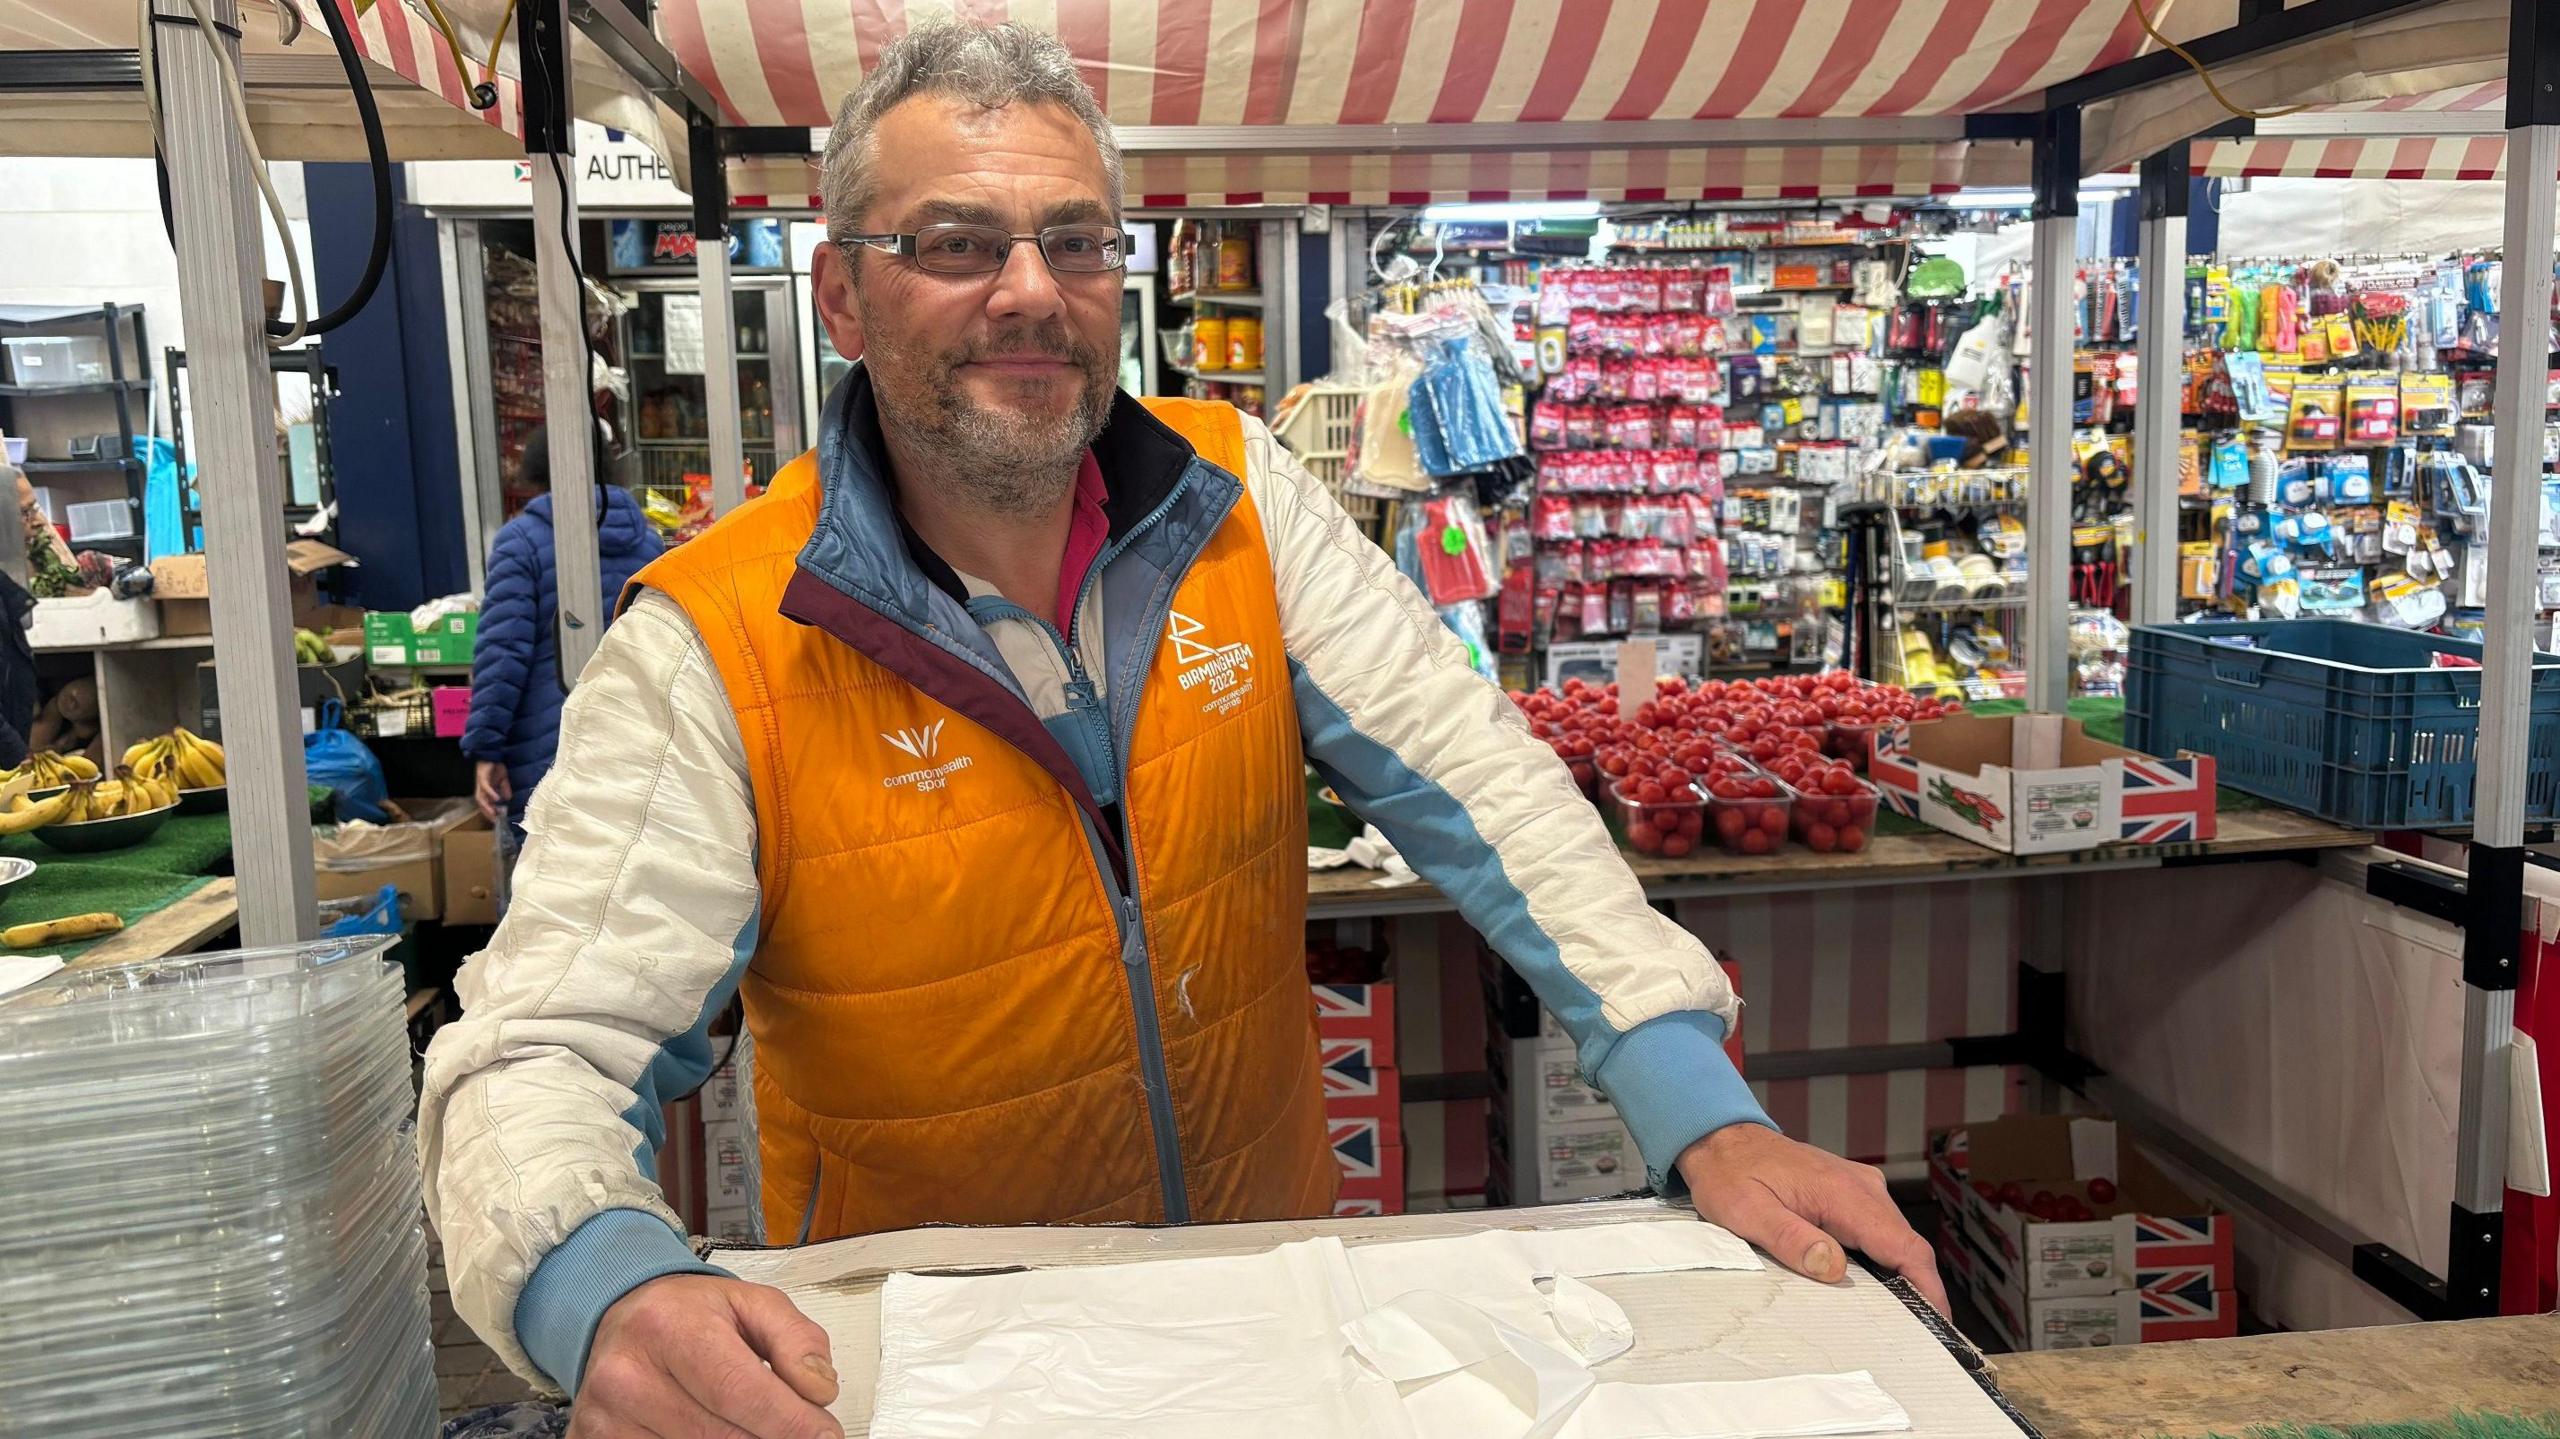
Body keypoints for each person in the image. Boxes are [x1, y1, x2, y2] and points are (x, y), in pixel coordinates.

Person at [421, 23, 1940, 1438]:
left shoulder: (1240, 499)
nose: (1029, 289)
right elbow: (540, 1045)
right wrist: (600, 1280)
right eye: (956, 243)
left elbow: (1487, 783)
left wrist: (1707, 1112)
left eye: (1073, 240)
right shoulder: (718, 636)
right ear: (839, 293)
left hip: (1267, 1316)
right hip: (924, 1361)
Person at [459, 422, 662, 882]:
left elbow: (502, 653)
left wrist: (486, 747)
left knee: (549, 904)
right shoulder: (646, 542)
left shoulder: (521, 543)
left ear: (533, 467)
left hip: (546, 752)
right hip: (634, 748)